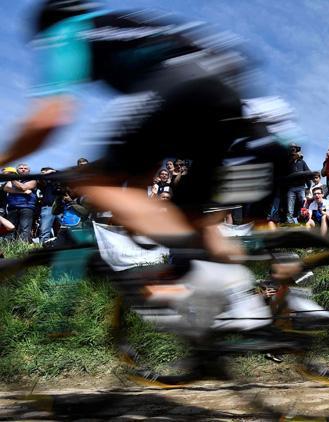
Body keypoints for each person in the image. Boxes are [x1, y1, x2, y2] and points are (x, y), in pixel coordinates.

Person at [5, 1, 310, 334]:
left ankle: (190, 294)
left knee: (97, 184)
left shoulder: (69, 29)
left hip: (182, 86)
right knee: (191, 218)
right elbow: (145, 158)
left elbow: (47, 118)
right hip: (224, 91)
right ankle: (238, 302)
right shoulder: (120, 26)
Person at [4, 163, 37, 243]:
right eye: (21, 168)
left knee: (24, 227)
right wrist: (23, 192)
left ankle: (22, 246)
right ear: (17, 170)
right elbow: (6, 188)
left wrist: (12, 179)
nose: (23, 169)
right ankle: (8, 246)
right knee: (10, 228)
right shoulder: (13, 180)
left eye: (25, 168)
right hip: (12, 207)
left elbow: (24, 187)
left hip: (27, 207)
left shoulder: (32, 179)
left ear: (29, 171)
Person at [286, 143, 311, 223]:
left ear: (297, 150)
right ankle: (289, 221)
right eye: (291, 149)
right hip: (291, 188)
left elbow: (308, 172)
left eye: (294, 149)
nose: (293, 150)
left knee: (302, 203)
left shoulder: (302, 162)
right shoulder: (287, 162)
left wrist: (308, 186)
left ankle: (302, 219)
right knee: (290, 205)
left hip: (301, 187)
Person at [38, 166, 62, 243]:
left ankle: (63, 244)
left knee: (65, 228)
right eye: (43, 172)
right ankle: (43, 247)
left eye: (46, 171)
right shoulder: (43, 183)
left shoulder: (59, 182)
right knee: (44, 230)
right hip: (48, 208)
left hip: (60, 207)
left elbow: (61, 174)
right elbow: (40, 179)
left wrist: (53, 171)